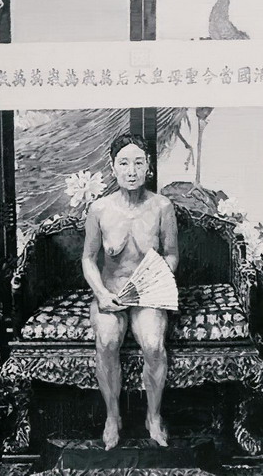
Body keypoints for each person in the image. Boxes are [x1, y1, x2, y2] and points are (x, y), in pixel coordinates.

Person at [82, 132, 179, 451]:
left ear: (148, 166)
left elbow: (172, 254)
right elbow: (88, 259)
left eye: (138, 163)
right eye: (124, 163)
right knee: (107, 341)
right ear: (113, 167)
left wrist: (156, 280)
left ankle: (154, 416)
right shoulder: (99, 209)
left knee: (153, 345)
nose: (132, 170)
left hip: (148, 295)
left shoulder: (162, 206)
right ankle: (113, 417)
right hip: (111, 292)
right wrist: (101, 293)